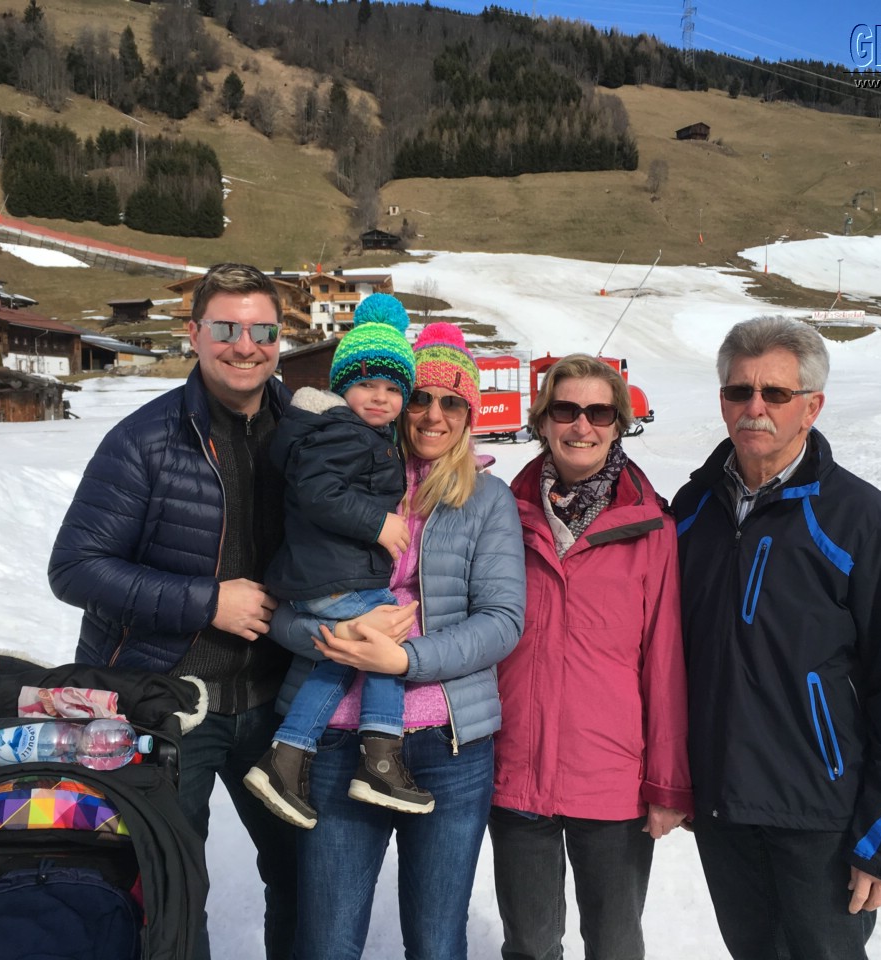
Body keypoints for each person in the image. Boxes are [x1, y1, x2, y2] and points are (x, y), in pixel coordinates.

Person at [672, 315, 881, 960]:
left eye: (775, 393)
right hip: (722, 808)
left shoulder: (864, 521)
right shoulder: (692, 511)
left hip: (820, 814)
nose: (755, 408)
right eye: (739, 391)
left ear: (812, 407)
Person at [47, 262, 297, 960]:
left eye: (262, 331)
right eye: (226, 328)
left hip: (280, 702)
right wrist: (207, 602)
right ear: (194, 334)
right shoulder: (145, 440)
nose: (244, 346)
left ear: (280, 338)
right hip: (169, 703)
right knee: (171, 887)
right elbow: (74, 567)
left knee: (304, 874)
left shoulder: (305, 431)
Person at [269, 321, 526, 960]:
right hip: (336, 737)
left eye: (452, 403)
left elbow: (501, 620)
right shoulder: (336, 478)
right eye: (422, 398)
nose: (434, 416)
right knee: (327, 942)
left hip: (448, 743)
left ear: (470, 415)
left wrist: (404, 659)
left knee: (437, 943)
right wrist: (336, 636)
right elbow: (282, 608)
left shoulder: (487, 500)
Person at [491, 353, 692, 960]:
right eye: (566, 409)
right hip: (516, 772)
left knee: (614, 943)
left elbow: (665, 663)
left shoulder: (651, 528)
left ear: (619, 424)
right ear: (542, 420)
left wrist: (666, 783)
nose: (582, 425)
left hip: (612, 781)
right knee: (529, 945)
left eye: (599, 412)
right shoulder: (500, 516)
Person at [246, 294, 436, 828]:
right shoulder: (340, 431)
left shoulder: (349, 432)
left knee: (339, 656)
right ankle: (381, 758)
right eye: (367, 384)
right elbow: (318, 493)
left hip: (326, 571)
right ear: (342, 385)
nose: (380, 398)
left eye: (393, 389)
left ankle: (286, 758)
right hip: (334, 574)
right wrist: (379, 524)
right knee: (384, 645)